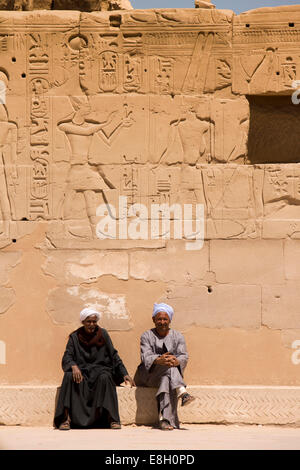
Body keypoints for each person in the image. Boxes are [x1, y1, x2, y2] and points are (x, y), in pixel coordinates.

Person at [54, 307, 135, 430]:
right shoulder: (75, 337)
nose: (92, 324)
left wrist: (124, 373)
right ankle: (65, 419)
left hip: (99, 371)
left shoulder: (103, 334)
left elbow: (113, 355)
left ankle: (112, 419)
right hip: (82, 373)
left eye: (94, 322)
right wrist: (73, 366)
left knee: (106, 377)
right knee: (69, 376)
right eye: (88, 322)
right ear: (83, 322)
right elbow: (67, 356)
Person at [134, 302, 195, 431]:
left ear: (170, 320)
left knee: (166, 377)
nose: (162, 322)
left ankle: (164, 420)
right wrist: (158, 360)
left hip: (168, 376)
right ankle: (182, 392)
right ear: (154, 320)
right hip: (148, 376)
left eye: (165, 319)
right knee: (168, 368)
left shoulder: (178, 336)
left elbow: (184, 356)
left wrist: (176, 361)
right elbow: (145, 357)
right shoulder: (146, 335)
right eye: (159, 319)